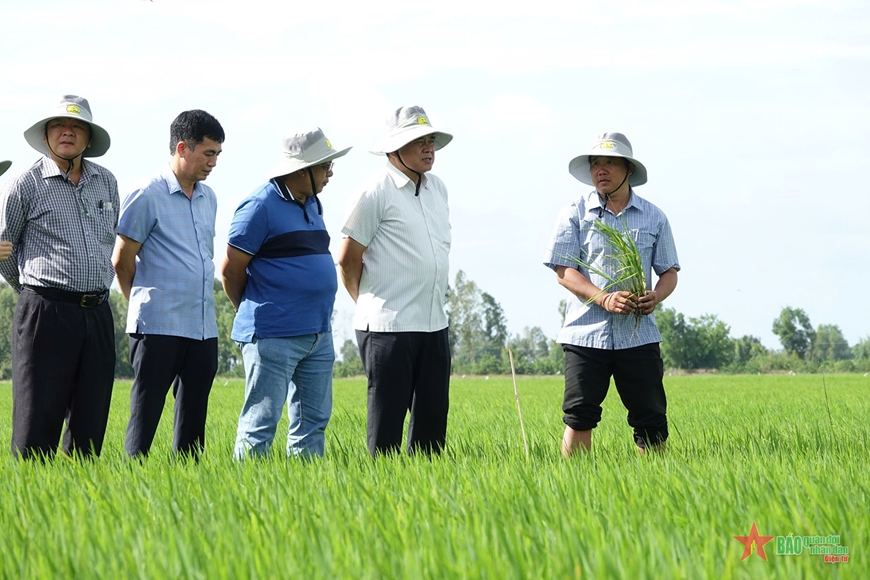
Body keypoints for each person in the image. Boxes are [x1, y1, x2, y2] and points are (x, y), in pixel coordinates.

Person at [544, 132, 680, 456]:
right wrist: (603, 297)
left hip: (639, 335)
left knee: (650, 418)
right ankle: (573, 489)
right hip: (585, 334)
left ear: (628, 169)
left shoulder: (654, 216)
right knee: (579, 415)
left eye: (609, 162)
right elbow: (564, 271)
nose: (600, 170)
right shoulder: (575, 213)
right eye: (595, 163)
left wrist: (655, 297)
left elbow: (669, 273)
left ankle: (657, 487)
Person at [0, 95, 119, 459]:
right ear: (47, 134)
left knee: (90, 421)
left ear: (88, 137)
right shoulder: (26, 183)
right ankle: (34, 503)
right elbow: (5, 249)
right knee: (38, 420)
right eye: (58, 125)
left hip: (97, 312)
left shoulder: (107, 181)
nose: (67, 131)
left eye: (77, 126)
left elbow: (109, 238)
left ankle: (78, 505)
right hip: (45, 313)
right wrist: (34, 294)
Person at [221, 128, 350, 459]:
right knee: (260, 424)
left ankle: (302, 499)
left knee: (313, 423)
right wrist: (254, 312)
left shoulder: (313, 204)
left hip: (318, 334)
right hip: (272, 335)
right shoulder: (259, 206)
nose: (331, 173)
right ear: (300, 169)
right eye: (325, 166)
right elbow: (230, 270)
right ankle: (245, 501)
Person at [338, 106, 453, 457]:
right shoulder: (374, 192)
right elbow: (347, 258)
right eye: (417, 141)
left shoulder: (438, 189)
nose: (428, 147)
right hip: (388, 328)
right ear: (393, 149)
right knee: (386, 430)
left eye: (430, 139)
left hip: (434, 324)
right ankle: (382, 499)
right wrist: (369, 304)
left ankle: (425, 498)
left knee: (432, 427)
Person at [113, 110, 225, 458]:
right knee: (146, 412)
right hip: (158, 325)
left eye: (218, 155)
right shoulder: (147, 193)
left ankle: (188, 484)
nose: (214, 163)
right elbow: (121, 259)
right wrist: (142, 305)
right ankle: (133, 477)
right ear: (182, 148)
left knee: (194, 417)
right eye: (208, 153)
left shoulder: (210, 198)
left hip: (202, 325)